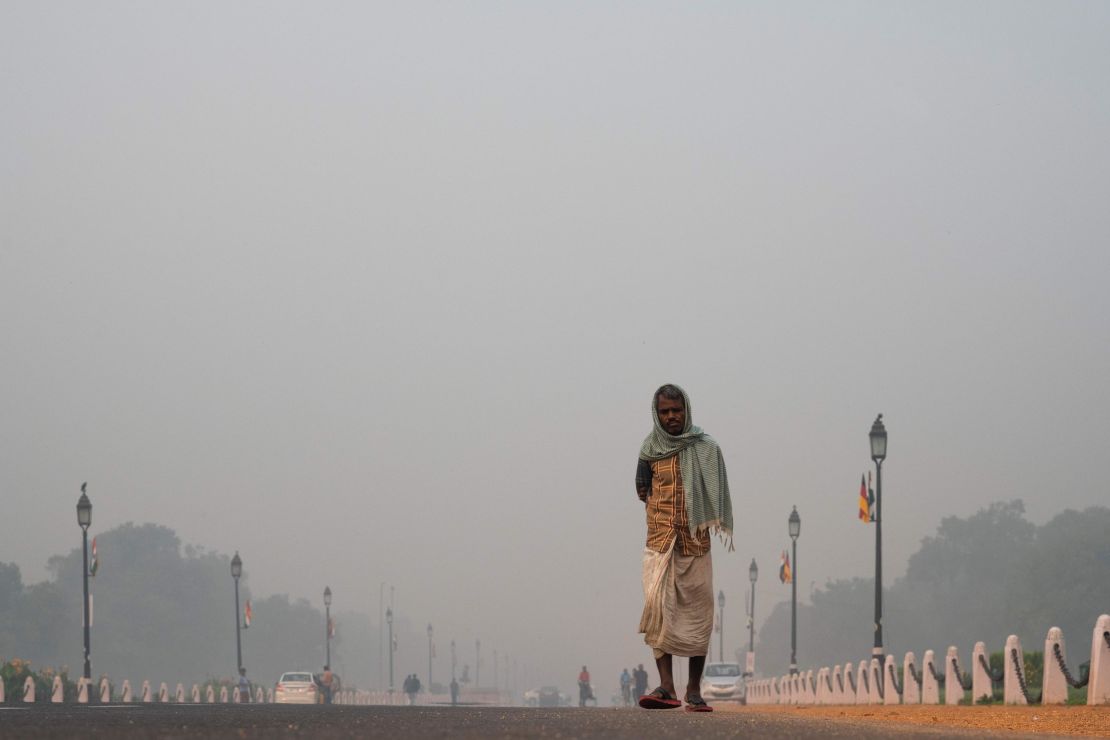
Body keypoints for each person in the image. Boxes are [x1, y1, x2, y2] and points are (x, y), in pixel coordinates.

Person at [635, 384, 733, 713]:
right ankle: (666, 687)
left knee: (699, 614)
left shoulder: (706, 448)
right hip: (659, 543)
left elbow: (718, 490)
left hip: (695, 543)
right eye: (665, 411)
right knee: (657, 610)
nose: (672, 416)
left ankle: (693, 691)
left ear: (686, 410)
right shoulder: (648, 451)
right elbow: (641, 490)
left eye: (676, 410)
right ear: (656, 414)